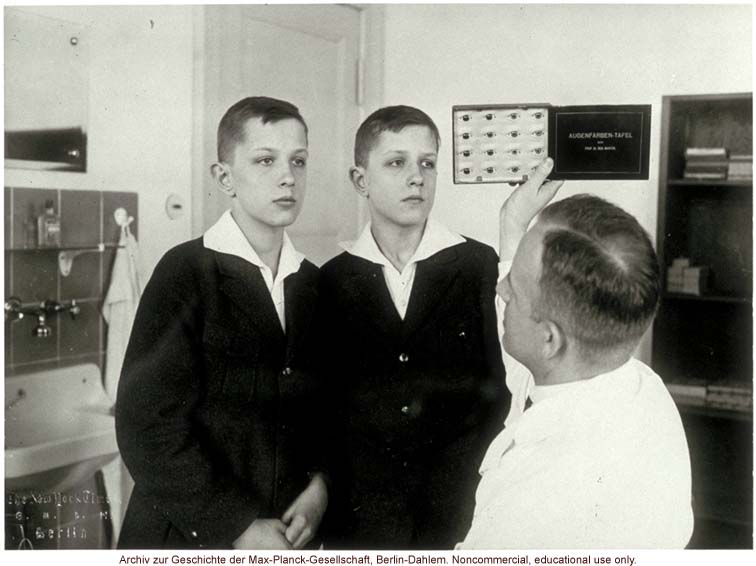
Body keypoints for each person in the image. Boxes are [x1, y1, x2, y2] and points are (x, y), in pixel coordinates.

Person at [116, 97, 327, 550]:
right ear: (224, 177)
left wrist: (319, 486)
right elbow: (145, 424)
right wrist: (236, 525)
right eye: (265, 160)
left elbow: (322, 412)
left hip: (286, 534)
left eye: (299, 161)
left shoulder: (311, 283)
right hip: (187, 536)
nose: (287, 176)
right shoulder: (186, 272)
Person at [458, 159, 694, 549]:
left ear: (550, 340)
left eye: (512, 289)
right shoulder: (637, 385)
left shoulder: (534, 496)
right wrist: (513, 223)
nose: (499, 290)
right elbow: (530, 365)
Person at [317, 105, 508, 549]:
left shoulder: (478, 264)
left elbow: (504, 387)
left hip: (461, 512)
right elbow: (323, 409)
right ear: (360, 180)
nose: (416, 177)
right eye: (396, 162)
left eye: (427, 163)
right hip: (363, 521)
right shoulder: (329, 281)